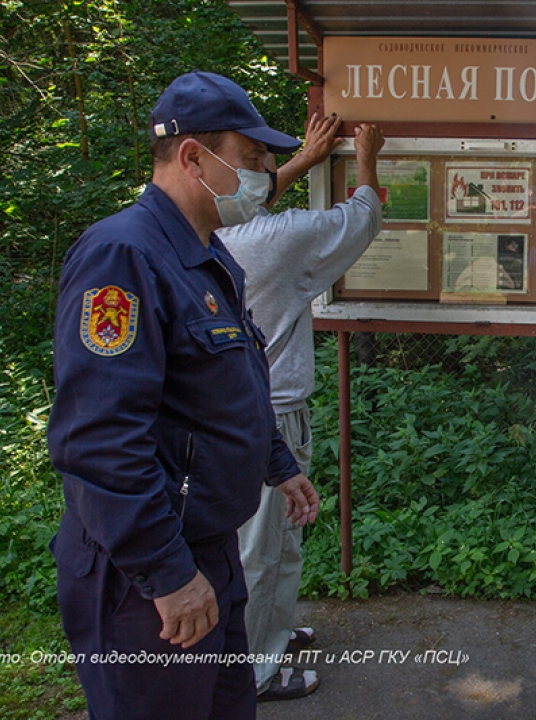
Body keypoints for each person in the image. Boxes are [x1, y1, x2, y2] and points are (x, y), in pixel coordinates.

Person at [46, 70, 319, 720]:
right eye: (252, 159)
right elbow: (100, 439)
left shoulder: (205, 255)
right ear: (194, 156)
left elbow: (221, 386)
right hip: (147, 577)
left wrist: (276, 466)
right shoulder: (123, 259)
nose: (265, 173)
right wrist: (166, 572)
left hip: (210, 548)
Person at [218, 113, 384, 700]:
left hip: (254, 411)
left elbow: (247, 203)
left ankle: (273, 633)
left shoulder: (210, 233)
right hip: (272, 416)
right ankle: (257, 671)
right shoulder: (273, 239)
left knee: (281, 537)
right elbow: (360, 218)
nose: (266, 173)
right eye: (257, 162)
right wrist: (367, 157)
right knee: (262, 548)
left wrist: (306, 161)